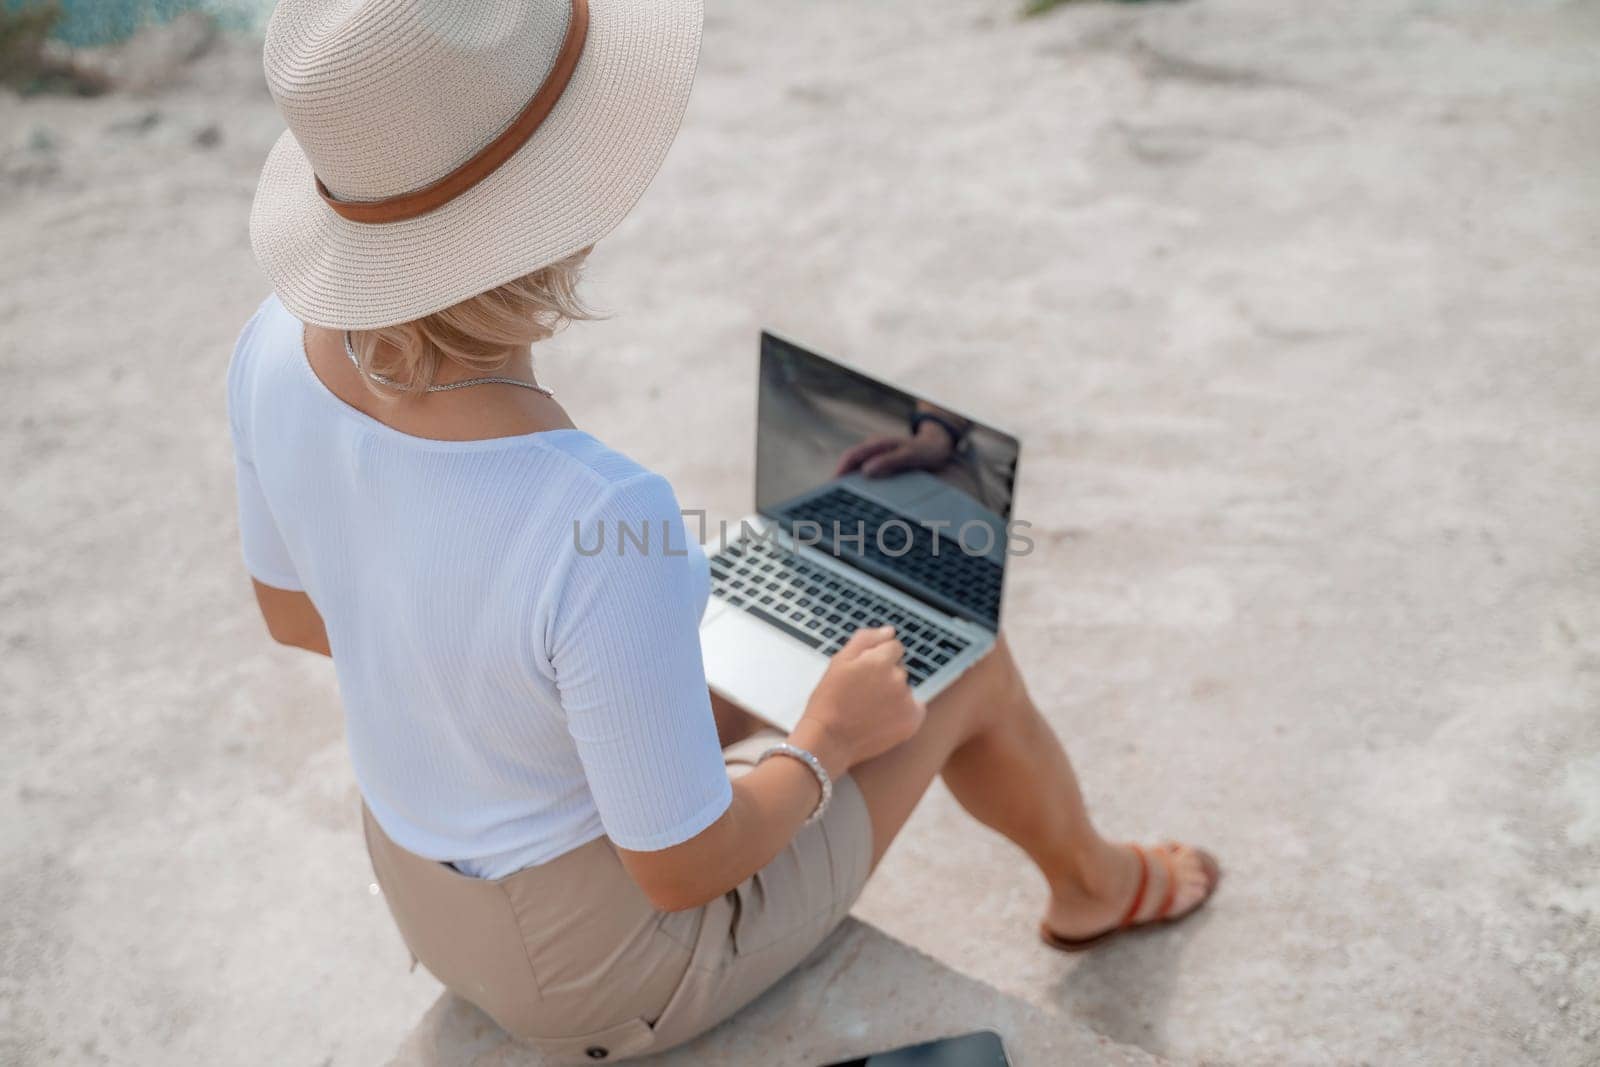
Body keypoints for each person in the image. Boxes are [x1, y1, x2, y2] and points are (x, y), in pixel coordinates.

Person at [232, 0, 1219, 1061]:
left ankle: (1051, 842)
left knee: (751, 619)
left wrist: (582, 643)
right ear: (559, 210)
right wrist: (824, 737)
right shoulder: (594, 510)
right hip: (600, 971)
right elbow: (683, 867)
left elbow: (298, 615)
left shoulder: (271, 347)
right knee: (964, 666)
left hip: (422, 880)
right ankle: (1095, 885)